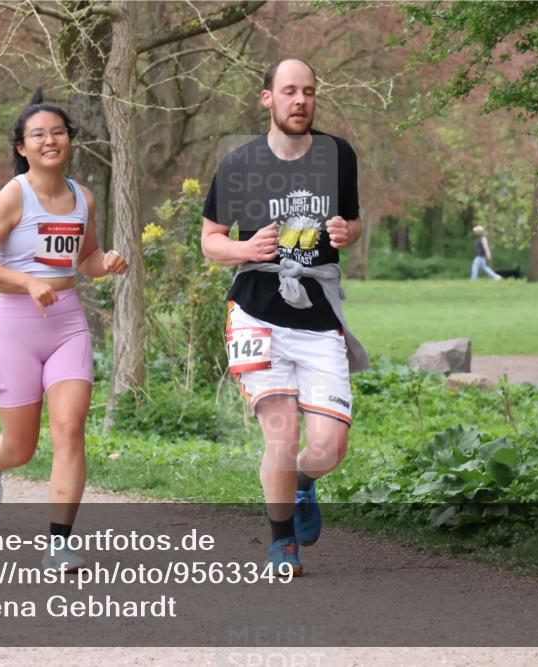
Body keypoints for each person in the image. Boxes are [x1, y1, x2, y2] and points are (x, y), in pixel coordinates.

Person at [201, 59, 370, 575]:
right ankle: (282, 543)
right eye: (290, 91)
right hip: (256, 314)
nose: (300, 100)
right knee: (281, 435)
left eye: (309, 92)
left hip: (318, 317)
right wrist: (245, 249)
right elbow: (210, 242)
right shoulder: (240, 164)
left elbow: (354, 223)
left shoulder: (337, 155)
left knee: (329, 447)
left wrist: (346, 233)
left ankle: (300, 483)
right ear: (267, 98)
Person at [0, 90, 127, 571]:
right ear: (22, 147)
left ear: (69, 140)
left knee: (70, 430)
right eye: (38, 135)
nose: (50, 140)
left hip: (67, 323)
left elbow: (86, 259)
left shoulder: (83, 197)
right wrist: (27, 282)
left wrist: (106, 261)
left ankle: (58, 543)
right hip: (16, 325)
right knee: (21, 448)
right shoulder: (14, 196)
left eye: (58, 132)